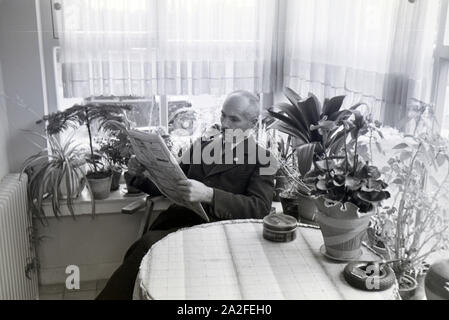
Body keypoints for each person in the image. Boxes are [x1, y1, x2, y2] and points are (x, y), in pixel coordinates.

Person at [96, 90, 275, 300]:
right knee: (142, 251)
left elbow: (259, 208)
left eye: (234, 119)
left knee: (147, 247)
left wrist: (209, 194)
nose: (225, 124)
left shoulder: (263, 159)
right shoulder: (204, 144)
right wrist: (141, 174)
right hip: (179, 222)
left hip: (217, 233)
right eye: (223, 115)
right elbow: (174, 183)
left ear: (253, 123)